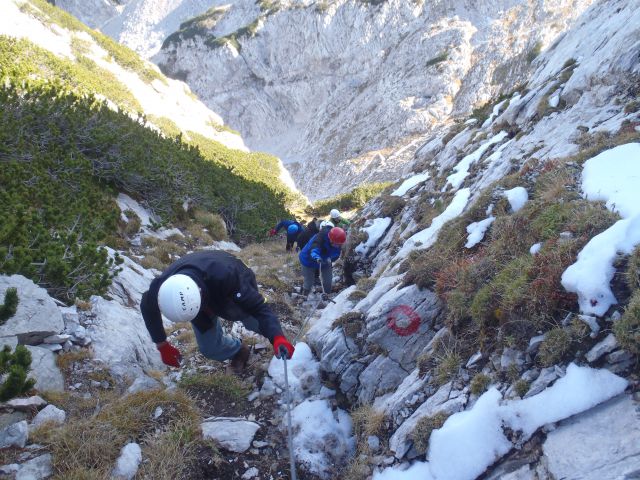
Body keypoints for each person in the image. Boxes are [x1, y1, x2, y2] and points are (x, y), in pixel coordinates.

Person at [140, 250, 295, 374]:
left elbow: (259, 308)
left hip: (228, 284)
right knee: (209, 348)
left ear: (200, 295)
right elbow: (147, 307)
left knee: (254, 322)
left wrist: (278, 337)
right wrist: (162, 344)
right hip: (201, 294)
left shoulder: (229, 278)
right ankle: (239, 350)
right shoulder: (162, 289)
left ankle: (286, 345)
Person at [298, 226, 346, 296]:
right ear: (330, 239)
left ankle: (327, 296)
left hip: (325, 260)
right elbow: (314, 249)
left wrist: (330, 259)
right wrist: (316, 257)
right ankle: (304, 296)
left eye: (339, 244)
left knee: (328, 281)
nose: (338, 246)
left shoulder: (339, 241)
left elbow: (336, 254)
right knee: (309, 282)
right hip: (308, 260)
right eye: (336, 244)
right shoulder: (320, 238)